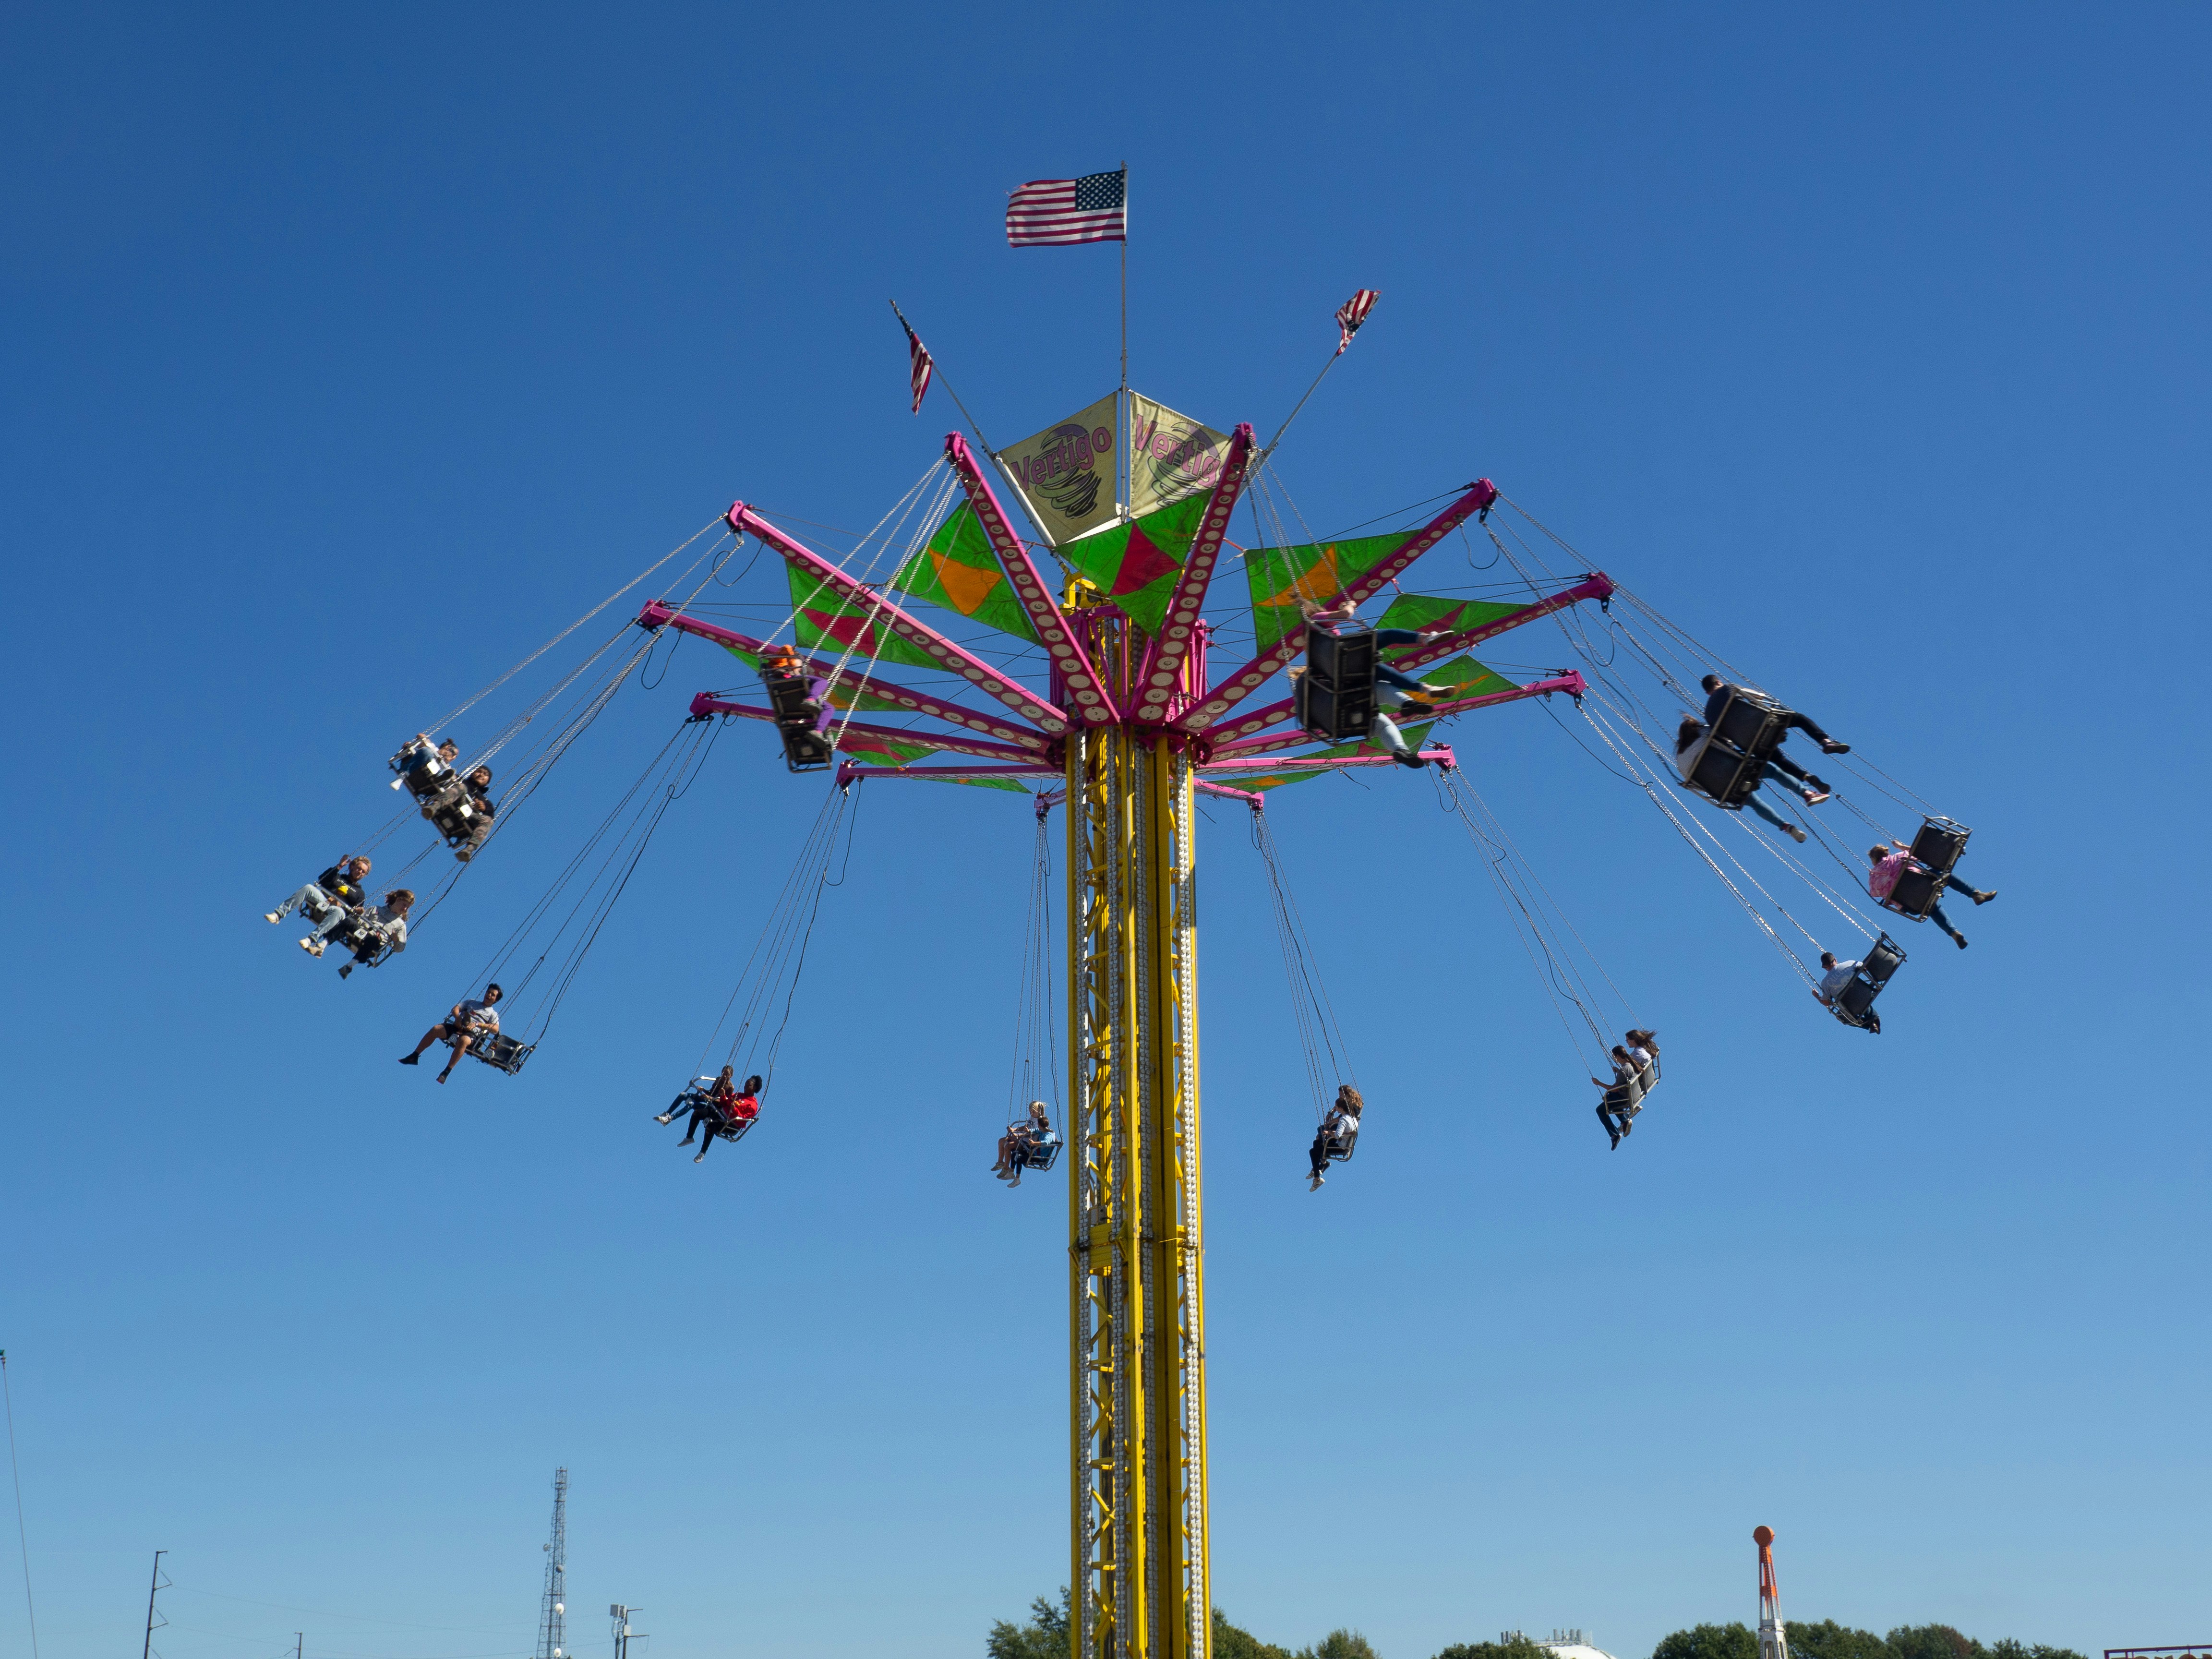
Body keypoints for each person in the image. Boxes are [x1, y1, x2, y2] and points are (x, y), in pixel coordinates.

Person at [1674, 716, 1824, 842]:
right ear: (1695, 727)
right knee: (1773, 772)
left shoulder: (1680, 760)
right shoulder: (1704, 732)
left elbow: (1695, 784)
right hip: (1740, 770)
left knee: (1754, 803)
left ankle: (1786, 826)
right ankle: (1807, 794)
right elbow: (1728, 742)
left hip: (1725, 790)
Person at [1867, 841, 1993, 950]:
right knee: (1943, 874)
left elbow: (1877, 895)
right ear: (1886, 853)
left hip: (1911, 906)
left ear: (1874, 861)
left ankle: (1954, 933)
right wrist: (1901, 847)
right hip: (1924, 887)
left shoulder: (1873, 879)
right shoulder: (1897, 858)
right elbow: (1919, 852)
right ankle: (1976, 894)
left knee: (1931, 906)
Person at [1700, 674, 1850, 755]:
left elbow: (1724, 737)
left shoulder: (1708, 715)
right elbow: (1758, 697)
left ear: (1707, 693)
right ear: (1718, 682)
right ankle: (1825, 742)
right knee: (1800, 719)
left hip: (1748, 739)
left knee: (1775, 756)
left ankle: (1806, 786)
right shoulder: (1728, 689)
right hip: (1763, 722)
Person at [267, 855, 373, 952]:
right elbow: (322, 880)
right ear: (352, 867)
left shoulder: (360, 893)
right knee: (309, 887)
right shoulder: (338, 877)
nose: (360, 872)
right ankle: (279, 914)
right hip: (324, 901)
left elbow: (352, 916)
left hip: (337, 911)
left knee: (339, 912)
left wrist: (356, 911)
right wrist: (339, 867)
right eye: (359, 868)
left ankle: (311, 939)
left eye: (363, 872)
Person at [401, 983, 503, 1082]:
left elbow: (495, 1029)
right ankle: (414, 1056)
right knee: (436, 1029)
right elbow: (456, 1008)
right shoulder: (471, 1002)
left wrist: (477, 1025)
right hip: (458, 1026)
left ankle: (446, 1072)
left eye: (493, 995)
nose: (489, 996)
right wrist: (458, 1017)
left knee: (463, 1040)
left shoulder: (493, 1014)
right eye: (488, 992)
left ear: (496, 1000)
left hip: (472, 1035)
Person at [671, 1069, 760, 1164]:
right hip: (720, 1114)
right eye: (746, 1084)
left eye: (749, 1085)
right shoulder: (738, 1095)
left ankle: (702, 1152)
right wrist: (723, 1096)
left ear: (754, 1088)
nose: (745, 1086)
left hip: (731, 1124)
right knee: (698, 1113)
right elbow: (725, 1102)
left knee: (711, 1126)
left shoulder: (752, 1104)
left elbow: (742, 1119)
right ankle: (689, 1137)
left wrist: (734, 1109)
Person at [337, 888, 414, 979]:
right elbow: (360, 921)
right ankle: (323, 943)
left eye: (408, 907)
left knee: (373, 940)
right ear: (398, 900)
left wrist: (396, 940)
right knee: (348, 920)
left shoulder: (400, 925)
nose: (405, 909)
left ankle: (350, 966)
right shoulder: (376, 909)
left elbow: (400, 948)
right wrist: (359, 915)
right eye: (404, 905)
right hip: (360, 934)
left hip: (373, 945)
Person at [1307, 1084, 1363, 1190]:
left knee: (1313, 1151)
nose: (1340, 1096)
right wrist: (1331, 1114)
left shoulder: (1349, 1114)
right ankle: (1321, 1165)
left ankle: (1317, 1178)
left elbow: (1338, 1133)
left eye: (1341, 1095)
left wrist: (1329, 1132)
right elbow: (1340, 1109)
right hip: (1343, 1139)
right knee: (1317, 1140)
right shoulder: (1349, 1115)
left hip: (1340, 1145)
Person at [1813, 950, 1879, 1032]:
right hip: (1865, 994)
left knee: (1840, 1016)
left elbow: (1827, 1003)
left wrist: (1817, 996)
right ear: (1835, 960)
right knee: (1858, 997)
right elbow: (1864, 967)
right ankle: (1874, 1020)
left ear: (1825, 967)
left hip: (1849, 1008)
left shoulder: (1825, 983)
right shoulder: (1850, 963)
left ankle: (1869, 1025)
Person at [991, 1101, 1053, 1187]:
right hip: (1023, 1139)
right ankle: (1000, 1163)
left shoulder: (1040, 1121)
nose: (1031, 1113)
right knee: (1002, 1141)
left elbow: (1035, 1133)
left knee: (1008, 1146)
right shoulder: (1032, 1119)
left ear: (1039, 1110)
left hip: (1027, 1143)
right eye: (1030, 1110)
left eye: (1033, 1111)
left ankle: (1006, 1169)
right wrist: (1014, 1130)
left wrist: (1020, 1136)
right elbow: (1025, 1128)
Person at [1593, 1045, 1640, 1149]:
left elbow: (1615, 1089)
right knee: (1609, 1099)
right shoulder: (1630, 1065)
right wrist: (1618, 1072)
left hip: (1624, 1099)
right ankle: (1624, 1121)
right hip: (1629, 1095)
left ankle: (1614, 1134)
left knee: (1600, 1110)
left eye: (1615, 1057)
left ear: (1619, 1056)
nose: (1615, 1059)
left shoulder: (1624, 1071)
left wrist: (1599, 1083)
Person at [452, 766, 497, 861]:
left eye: (485, 774)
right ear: (472, 774)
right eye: (479, 772)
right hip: (453, 807)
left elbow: (490, 816)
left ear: (487, 782)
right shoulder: (461, 781)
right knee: (462, 787)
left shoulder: (486, 802)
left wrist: (484, 809)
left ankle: (469, 850)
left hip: (467, 819)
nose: (481, 775)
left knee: (488, 821)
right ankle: (435, 806)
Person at [394, 734, 462, 794]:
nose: (453, 758)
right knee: (427, 752)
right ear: (447, 747)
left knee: (449, 774)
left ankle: (438, 779)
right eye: (453, 753)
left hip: (426, 784)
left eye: (455, 758)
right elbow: (420, 736)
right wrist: (427, 744)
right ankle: (402, 776)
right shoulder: (433, 748)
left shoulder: (447, 768)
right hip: (414, 769)